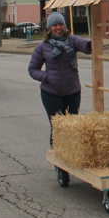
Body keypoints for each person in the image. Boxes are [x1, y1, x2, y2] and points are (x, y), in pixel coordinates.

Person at [28, 12, 91, 146]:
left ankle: (72, 157)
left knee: (72, 126)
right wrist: (46, 77)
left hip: (72, 91)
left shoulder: (72, 41)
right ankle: (58, 161)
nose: (58, 28)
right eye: (55, 25)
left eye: (61, 24)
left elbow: (84, 45)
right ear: (49, 28)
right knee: (58, 127)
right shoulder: (43, 47)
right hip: (51, 93)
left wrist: (91, 45)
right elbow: (32, 69)